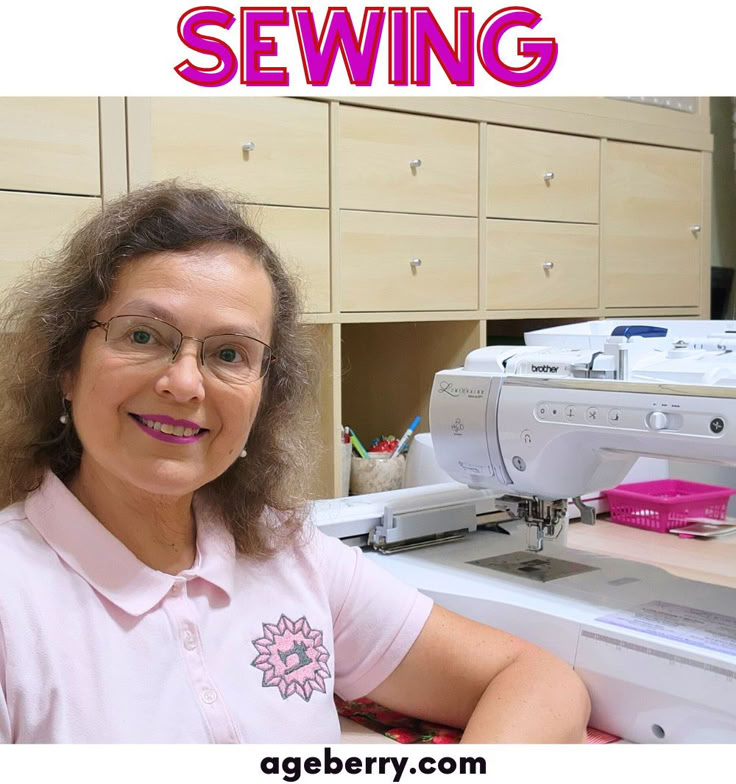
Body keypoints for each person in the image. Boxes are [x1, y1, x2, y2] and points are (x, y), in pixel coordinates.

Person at [0, 182, 590, 744]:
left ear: (263, 395)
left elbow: (537, 680)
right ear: (67, 367)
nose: (183, 383)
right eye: (142, 336)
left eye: (229, 353)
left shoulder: (288, 554)